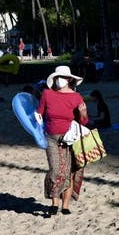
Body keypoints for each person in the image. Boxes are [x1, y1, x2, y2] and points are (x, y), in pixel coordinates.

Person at [36, 65, 88, 216]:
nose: (60, 80)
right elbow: (40, 113)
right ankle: (54, 202)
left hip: (70, 139)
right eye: (58, 77)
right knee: (56, 170)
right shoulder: (47, 94)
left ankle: (65, 206)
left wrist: (83, 113)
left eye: (63, 77)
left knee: (69, 172)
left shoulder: (76, 97)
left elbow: (83, 122)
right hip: (51, 136)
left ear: (69, 79)